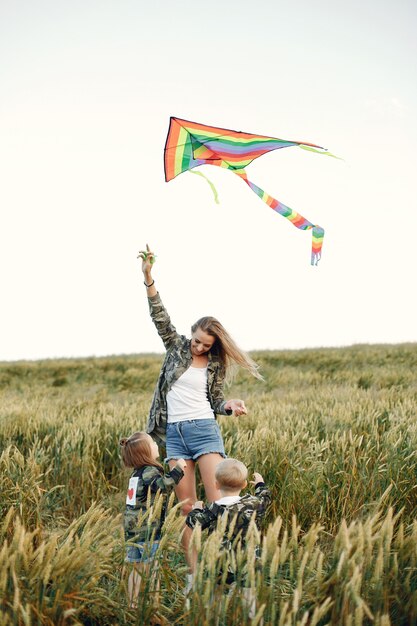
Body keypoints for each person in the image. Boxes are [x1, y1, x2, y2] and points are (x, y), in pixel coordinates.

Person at [137, 244, 262, 578]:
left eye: (206, 345)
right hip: (174, 436)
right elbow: (158, 314)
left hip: (205, 431)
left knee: (222, 503)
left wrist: (229, 405)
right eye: (197, 341)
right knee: (188, 510)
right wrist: (149, 277)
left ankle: (228, 572)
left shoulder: (215, 363)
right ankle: (195, 578)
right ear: (191, 334)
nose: (199, 347)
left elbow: (215, 399)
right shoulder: (176, 346)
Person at [185, 458, 271, 617]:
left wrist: (196, 509)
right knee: (249, 594)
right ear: (244, 485)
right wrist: (260, 484)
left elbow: (193, 522)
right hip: (249, 561)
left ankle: (215, 617)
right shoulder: (254, 503)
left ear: (216, 485)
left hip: (221, 562)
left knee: (217, 593)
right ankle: (251, 618)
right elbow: (265, 498)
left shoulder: (215, 508)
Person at [120, 431, 186, 607]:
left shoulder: (136, 473)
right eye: (153, 444)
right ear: (145, 452)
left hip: (132, 531)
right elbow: (162, 487)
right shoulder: (150, 470)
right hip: (148, 531)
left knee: (136, 568)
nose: (157, 445)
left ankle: (132, 605)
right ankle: (153, 605)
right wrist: (178, 469)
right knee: (153, 568)